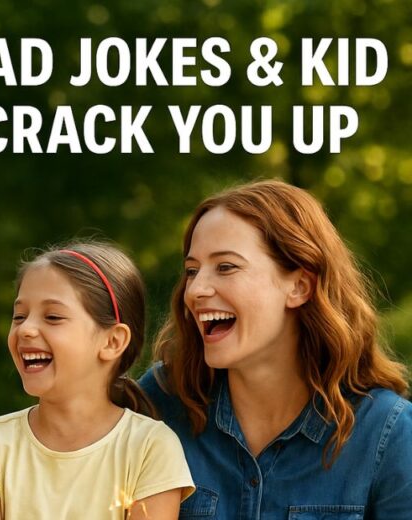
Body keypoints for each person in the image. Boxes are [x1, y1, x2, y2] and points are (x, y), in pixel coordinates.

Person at [140, 179, 412, 518]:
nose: (195, 289)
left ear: (299, 286)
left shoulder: (388, 433)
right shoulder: (159, 403)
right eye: (192, 270)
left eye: (226, 266)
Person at [0, 241, 194, 520]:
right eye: (19, 316)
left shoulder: (151, 449)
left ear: (112, 341)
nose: (26, 329)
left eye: (53, 316)